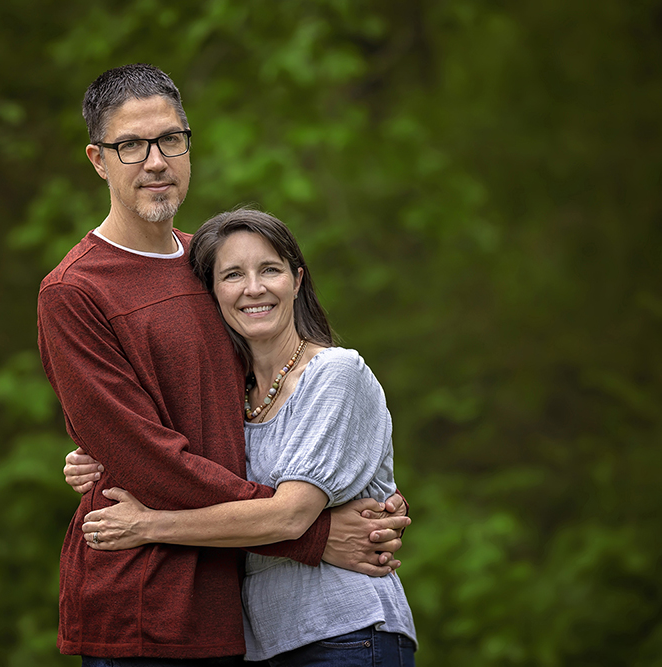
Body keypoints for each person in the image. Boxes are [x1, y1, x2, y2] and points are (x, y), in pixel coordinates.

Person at [38, 63, 409, 665]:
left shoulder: (211, 268)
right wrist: (311, 532)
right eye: (130, 145)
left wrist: (365, 488)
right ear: (98, 159)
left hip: (236, 611)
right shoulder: (75, 291)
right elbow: (147, 457)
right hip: (143, 604)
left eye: (171, 140)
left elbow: (271, 405)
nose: (155, 161)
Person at [66, 208, 418, 666]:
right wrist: (101, 457)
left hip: (346, 632)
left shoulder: (335, 374)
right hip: (264, 644)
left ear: (296, 279)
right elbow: (197, 470)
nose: (254, 288)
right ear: (213, 293)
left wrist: (149, 525)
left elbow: (288, 517)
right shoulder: (234, 395)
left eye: (269, 269)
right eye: (233, 275)